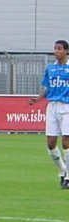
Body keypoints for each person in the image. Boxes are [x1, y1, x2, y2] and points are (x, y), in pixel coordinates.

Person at [30, 40, 69, 189]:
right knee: (51, 143)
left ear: (66, 51)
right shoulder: (50, 69)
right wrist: (38, 98)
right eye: (55, 49)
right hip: (52, 107)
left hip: (67, 107)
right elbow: (48, 88)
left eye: (59, 49)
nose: (56, 51)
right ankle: (62, 170)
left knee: (66, 142)